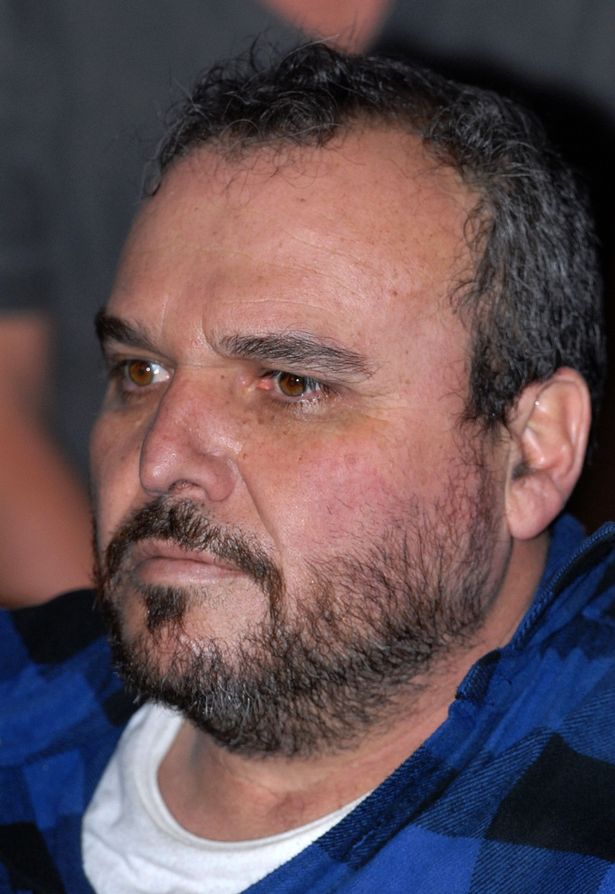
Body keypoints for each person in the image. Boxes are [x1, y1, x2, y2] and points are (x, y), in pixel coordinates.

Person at [2, 42, 615, 893]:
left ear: (533, 450)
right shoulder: (23, 706)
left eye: (290, 383)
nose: (160, 457)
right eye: (140, 371)